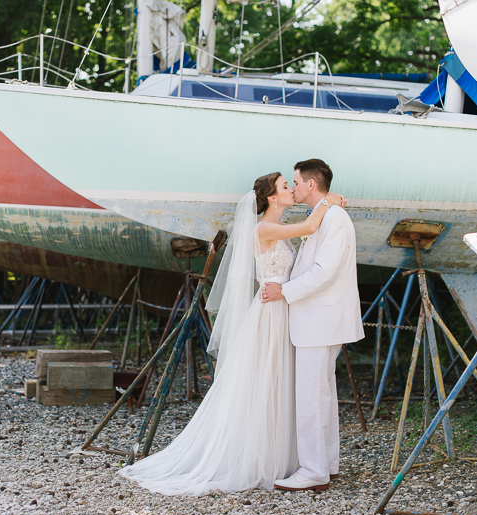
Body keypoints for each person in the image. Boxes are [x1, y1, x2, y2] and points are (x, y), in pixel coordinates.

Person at [118, 171, 345, 496]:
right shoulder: (265, 228)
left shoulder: (280, 232)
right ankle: (261, 460)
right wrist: (328, 201)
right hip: (270, 315)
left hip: (285, 309)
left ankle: (286, 458)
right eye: (285, 187)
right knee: (266, 383)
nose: (291, 190)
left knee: (282, 383)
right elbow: (310, 226)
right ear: (271, 198)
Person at [261, 159, 364, 492]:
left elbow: (324, 272)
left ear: (310, 184)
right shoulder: (324, 214)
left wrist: (284, 291)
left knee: (311, 396)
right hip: (317, 320)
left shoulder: (333, 218)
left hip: (320, 320)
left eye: (295, 181)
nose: (293, 187)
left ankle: (313, 470)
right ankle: (327, 464)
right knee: (323, 395)